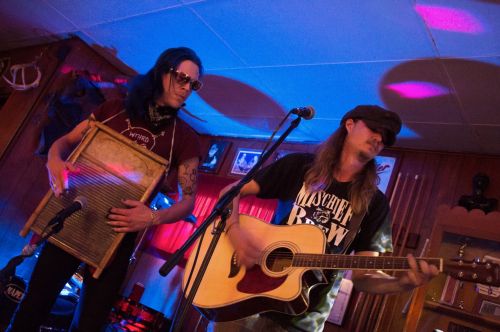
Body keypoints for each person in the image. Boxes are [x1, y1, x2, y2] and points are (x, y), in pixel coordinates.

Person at [8, 47, 204, 332]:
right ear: (162, 72)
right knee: (34, 303)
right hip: (74, 217)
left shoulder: (184, 139)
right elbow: (63, 143)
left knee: (90, 321)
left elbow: (188, 202)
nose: (187, 88)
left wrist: (152, 217)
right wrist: (54, 162)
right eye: (181, 78)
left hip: (118, 234)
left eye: (194, 84)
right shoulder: (114, 110)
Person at [210, 105, 439, 332]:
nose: (379, 138)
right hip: (245, 297)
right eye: (374, 129)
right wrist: (236, 234)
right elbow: (230, 193)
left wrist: (402, 283)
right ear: (350, 125)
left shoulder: (375, 203)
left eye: (386, 137)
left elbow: (363, 276)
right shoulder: (298, 166)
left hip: (303, 319)